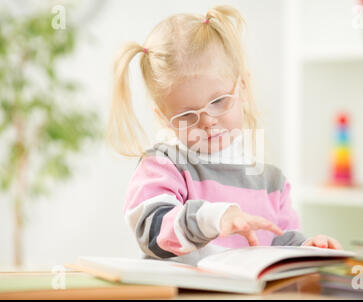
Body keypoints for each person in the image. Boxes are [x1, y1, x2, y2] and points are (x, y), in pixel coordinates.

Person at [107, 5, 343, 265]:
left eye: (218, 101)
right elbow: (152, 230)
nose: (208, 122)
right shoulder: (163, 165)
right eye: (187, 116)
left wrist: (307, 248)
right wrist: (214, 218)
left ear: (242, 87)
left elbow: (280, 242)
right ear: (164, 118)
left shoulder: (271, 182)